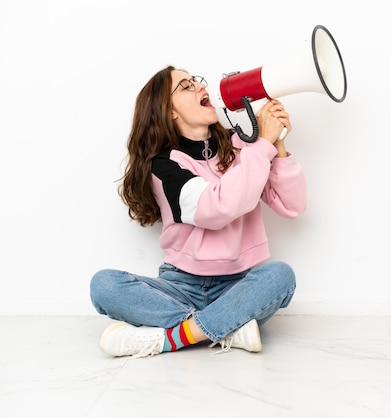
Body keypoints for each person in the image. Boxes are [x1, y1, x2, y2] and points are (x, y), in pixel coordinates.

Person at [90, 65, 306, 358]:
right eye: (186, 86)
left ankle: (170, 338)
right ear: (169, 112)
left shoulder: (242, 147)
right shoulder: (164, 166)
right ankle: (228, 327)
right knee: (104, 285)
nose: (201, 87)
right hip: (181, 285)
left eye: (197, 81)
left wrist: (277, 145)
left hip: (237, 285)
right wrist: (263, 145)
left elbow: (291, 206)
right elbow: (218, 208)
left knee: (280, 276)